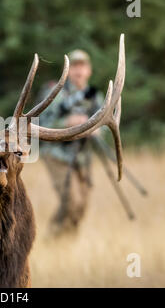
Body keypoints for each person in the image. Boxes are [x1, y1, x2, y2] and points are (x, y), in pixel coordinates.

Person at [39, 49, 103, 235]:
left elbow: (105, 123)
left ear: (89, 70)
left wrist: (97, 129)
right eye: (74, 66)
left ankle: (66, 244)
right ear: (67, 70)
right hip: (57, 155)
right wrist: (68, 123)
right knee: (72, 201)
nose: (79, 71)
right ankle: (54, 238)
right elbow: (41, 124)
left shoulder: (94, 95)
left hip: (82, 157)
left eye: (82, 66)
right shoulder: (56, 92)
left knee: (81, 205)